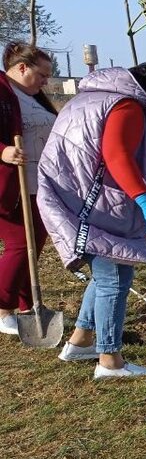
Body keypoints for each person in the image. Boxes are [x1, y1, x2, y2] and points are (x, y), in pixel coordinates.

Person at [37, 63, 146, 379]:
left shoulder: (90, 98)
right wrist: (144, 200)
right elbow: (116, 155)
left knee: (104, 274)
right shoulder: (126, 105)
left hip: (71, 195)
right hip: (100, 205)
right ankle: (110, 359)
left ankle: (81, 340)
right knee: (115, 276)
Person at [0, 43, 56, 335]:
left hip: (36, 181)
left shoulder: (27, 95)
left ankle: (26, 304)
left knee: (34, 244)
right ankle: (3, 307)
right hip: (10, 184)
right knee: (22, 243)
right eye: (42, 74)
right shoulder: (2, 91)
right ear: (22, 68)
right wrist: (3, 151)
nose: (46, 81)